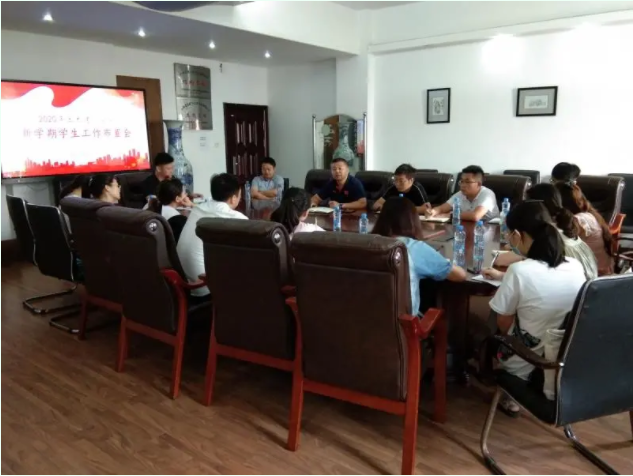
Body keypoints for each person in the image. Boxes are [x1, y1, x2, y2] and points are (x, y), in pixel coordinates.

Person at [481, 201, 586, 415]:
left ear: (517, 235)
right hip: (568, 363)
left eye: (508, 233)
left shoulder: (519, 271)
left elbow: (503, 323)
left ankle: (505, 388)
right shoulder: (575, 266)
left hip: (526, 365)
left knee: (486, 330)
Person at [372, 197, 467, 316]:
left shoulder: (365, 243)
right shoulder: (413, 247)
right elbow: (459, 275)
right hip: (402, 323)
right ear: (412, 220)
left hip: (362, 320)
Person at [495, 185, 598, 280]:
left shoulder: (550, 236)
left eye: (527, 202)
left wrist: (518, 259)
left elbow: (543, 278)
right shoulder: (558, 225)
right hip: (587, 287)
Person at [177, 173, 247, 296]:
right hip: (205, 287)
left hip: (182, 283)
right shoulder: (236, 218)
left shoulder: (197, 209)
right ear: (233, 198)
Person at [556, 182, 614, 275]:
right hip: (602, 269)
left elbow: (561, 243)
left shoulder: (579, 220)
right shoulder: (590, 214)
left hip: (595, 274)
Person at [426, 165, 499, 222]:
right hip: (466, 228)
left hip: (489, 230)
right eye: (462, 181)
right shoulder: (460, 194)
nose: (463, 185)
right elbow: (442, 208)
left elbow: (475, 216)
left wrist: (449, 215)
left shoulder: (487, 194)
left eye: (467, 182)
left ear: (479, 184)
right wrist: (433, 211)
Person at [147, 178, 192, 244]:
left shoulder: (150, 206)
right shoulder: (178, 220)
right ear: (177, 199)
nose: (186, 195)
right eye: (185, 193)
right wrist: (192, 205)